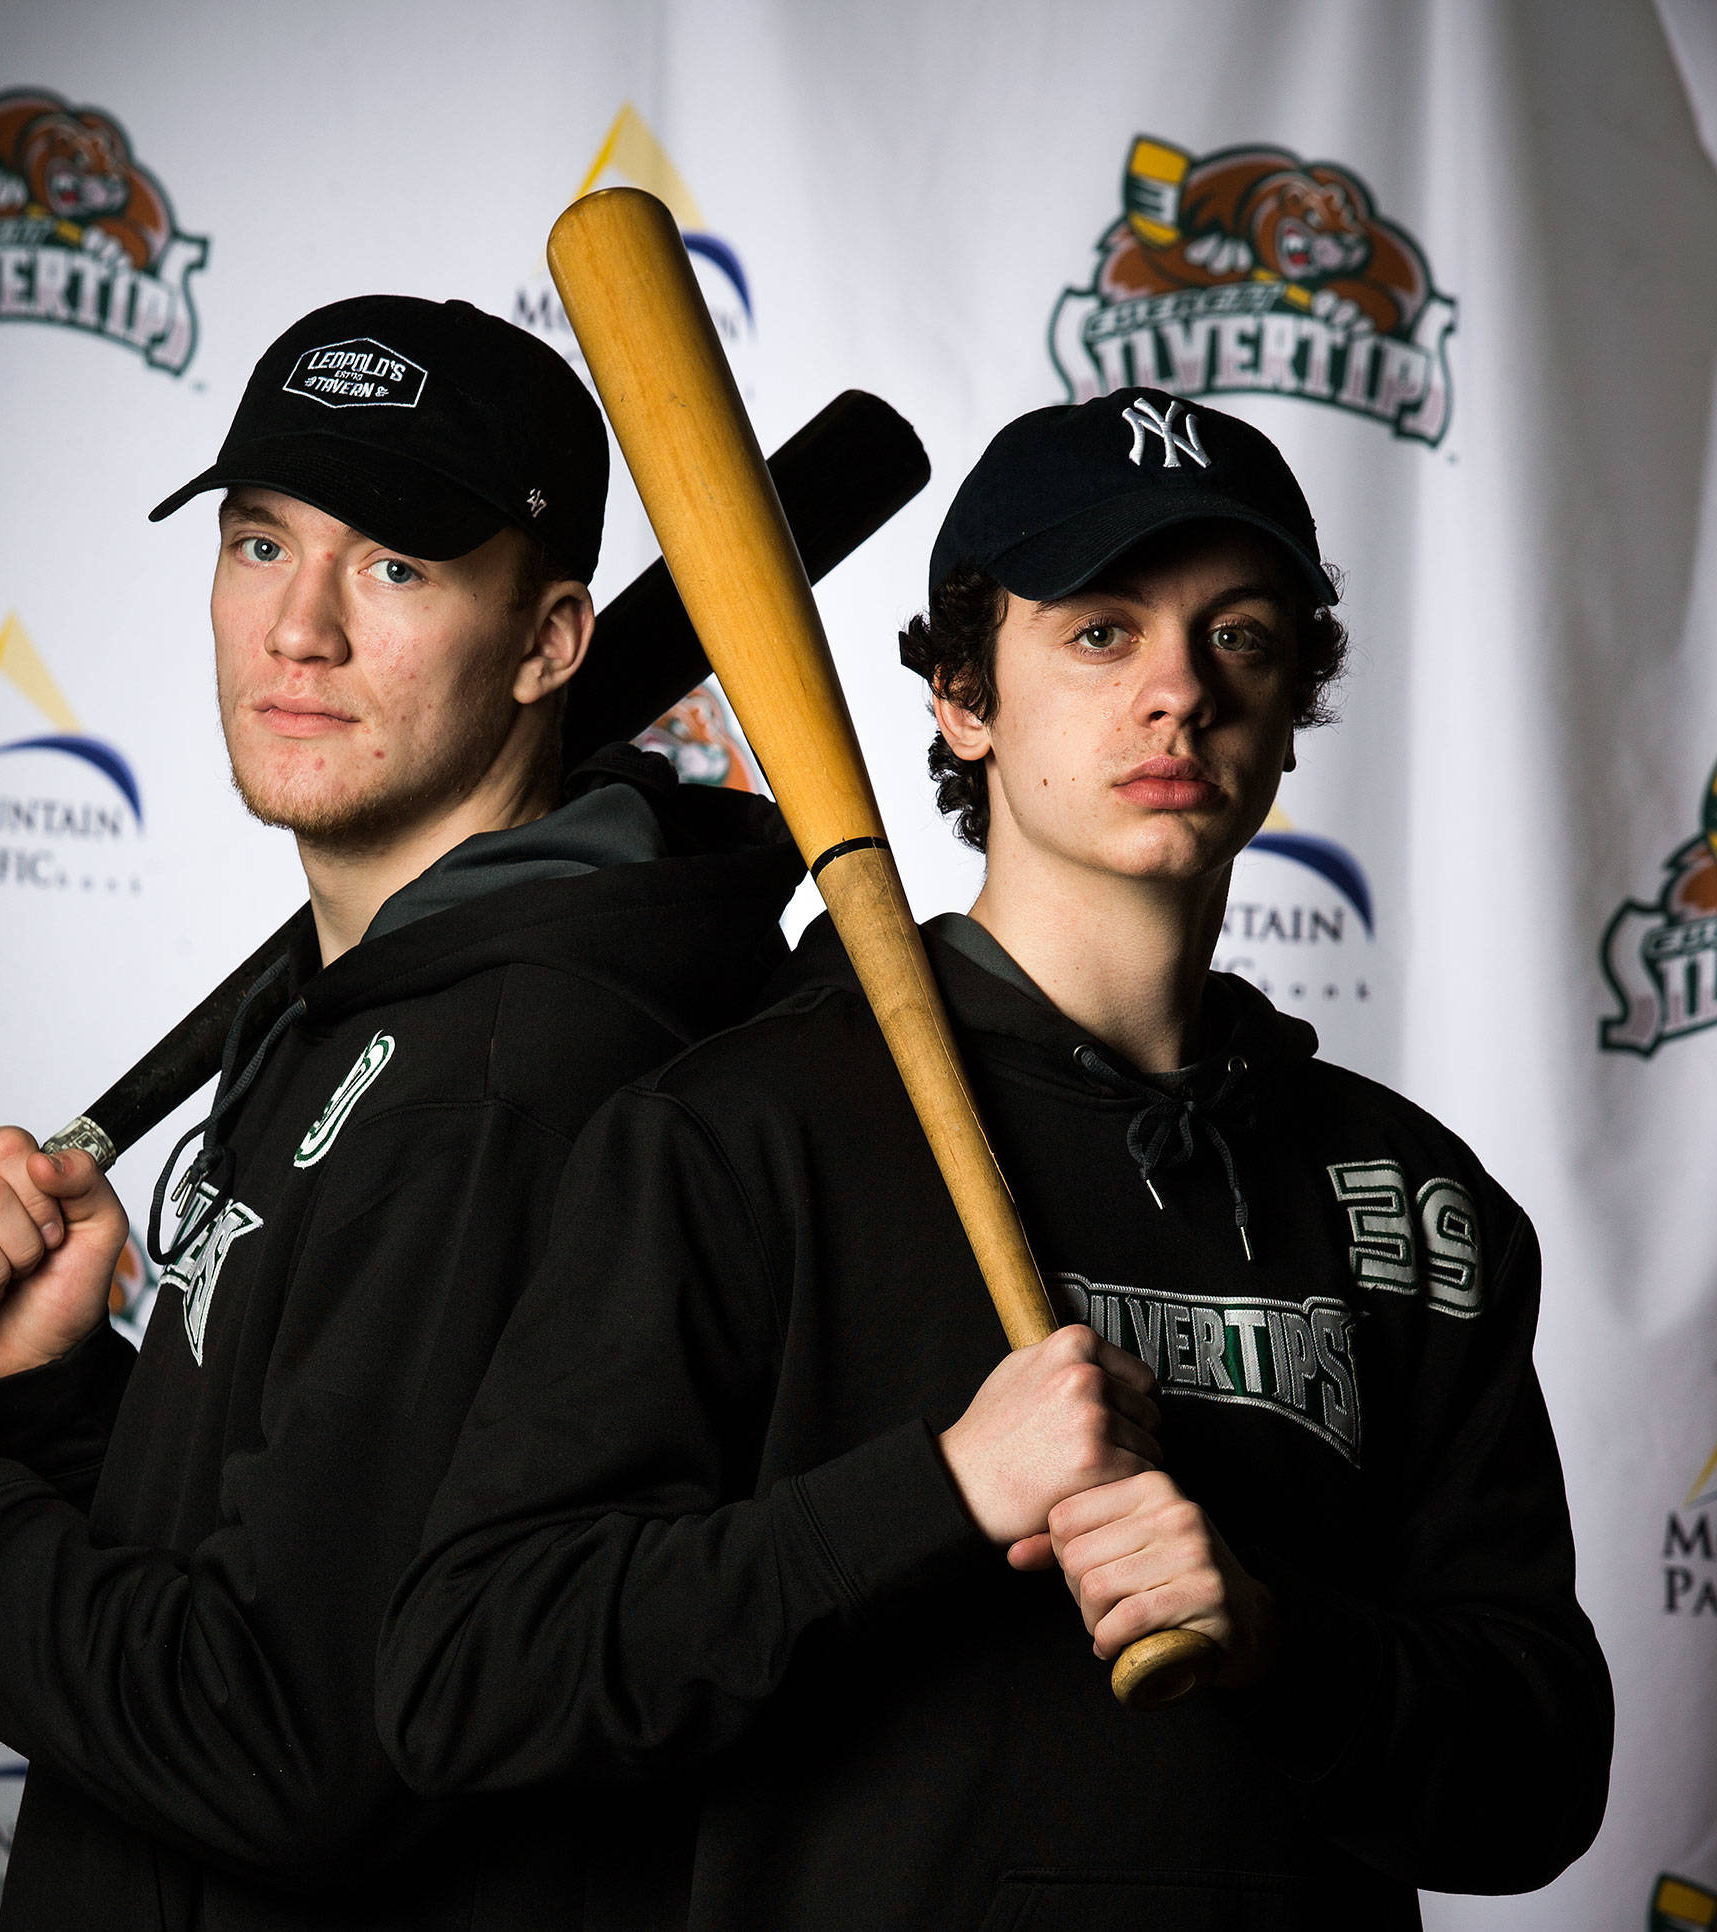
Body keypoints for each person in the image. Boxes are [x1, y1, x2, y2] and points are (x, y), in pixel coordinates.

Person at [376, 389, 1615, 1929]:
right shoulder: (741, 1134)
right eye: (1101, 631)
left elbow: (1541, 1785)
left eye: (1237, 635)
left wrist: (1283, 1645)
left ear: (1293, 703)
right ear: (966, 697)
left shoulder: (1418, 1203)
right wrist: (943, 1492)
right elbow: (474, 1673)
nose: (1179, 692)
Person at [0, 295, 803, 1930]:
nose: (297, 627)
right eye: (259, 544)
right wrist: (53, 1404)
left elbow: (291, 1753)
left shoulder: (514, 1080)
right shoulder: (363, 997)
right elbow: (278, 1568)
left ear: (548, 642)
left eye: (395, 566)